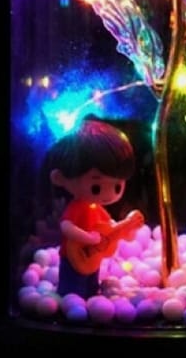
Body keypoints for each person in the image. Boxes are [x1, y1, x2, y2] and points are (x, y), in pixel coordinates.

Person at [46, 117, 142, 297]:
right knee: (73, 289)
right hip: (73, 256)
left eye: (117, 186)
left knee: (91, 285)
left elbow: (109, 226)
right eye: (96, 187)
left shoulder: (96, 208)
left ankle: (91, 296)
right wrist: (88, 237)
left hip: (92, 259)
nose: (109, 194)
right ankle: (73, 299)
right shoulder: (77, 207)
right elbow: (66, 226)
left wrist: (126, 230)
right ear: (59, 178)